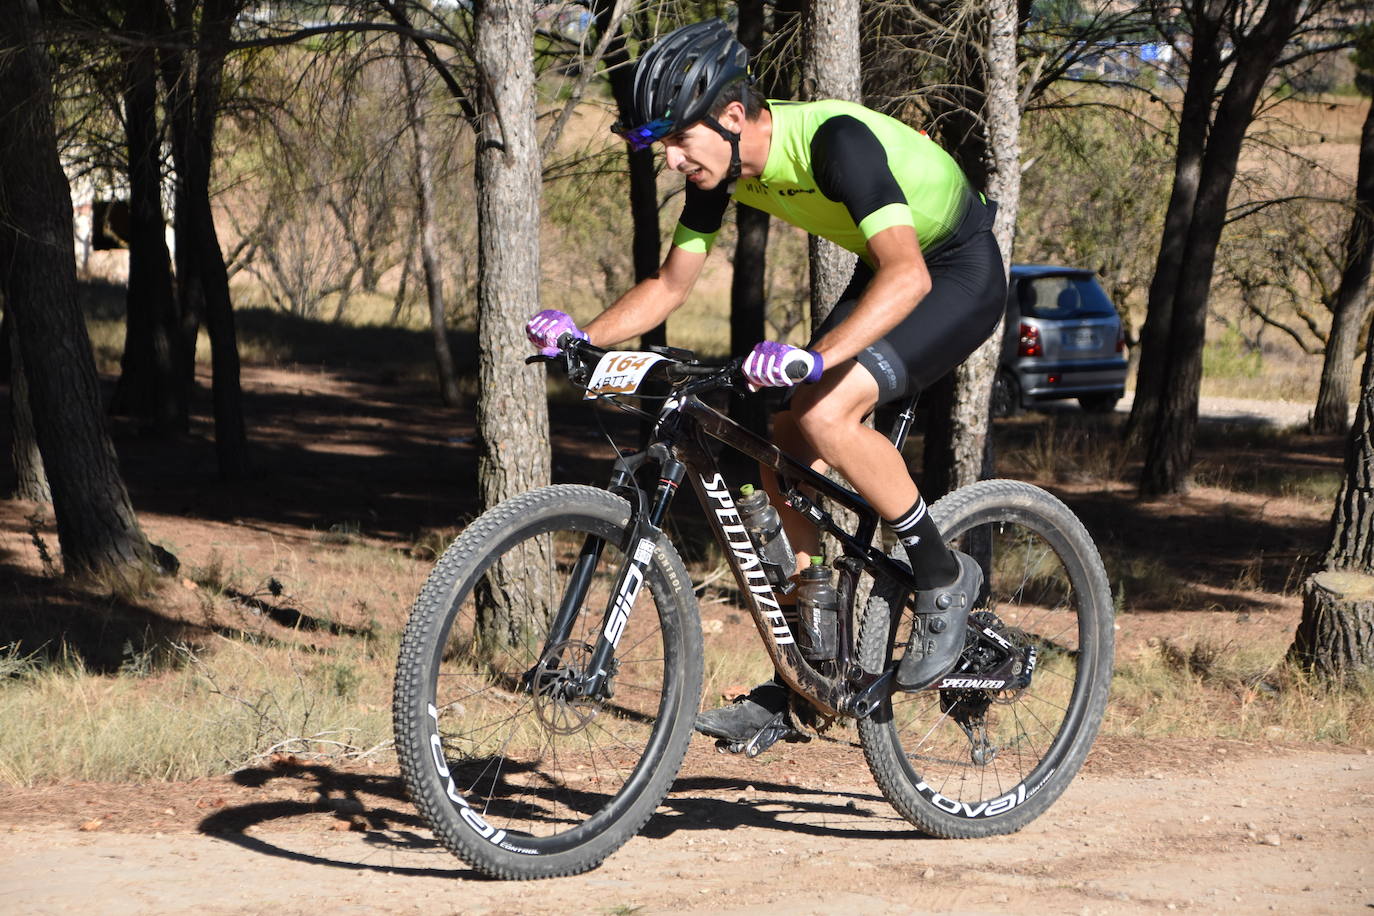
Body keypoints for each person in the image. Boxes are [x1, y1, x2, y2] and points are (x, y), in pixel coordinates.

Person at [526, 19, 1006, 746]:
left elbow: (909, 274)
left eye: (677, 139)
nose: (670, 160)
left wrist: (814, 361)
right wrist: (582, 337)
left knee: (828, 411)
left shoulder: (833, 142)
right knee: (780, 439)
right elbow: (669, 285)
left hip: (954, 269)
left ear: (730, 116)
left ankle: (943, 573)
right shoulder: (721, 171)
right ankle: (810, 675)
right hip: (894, 271)